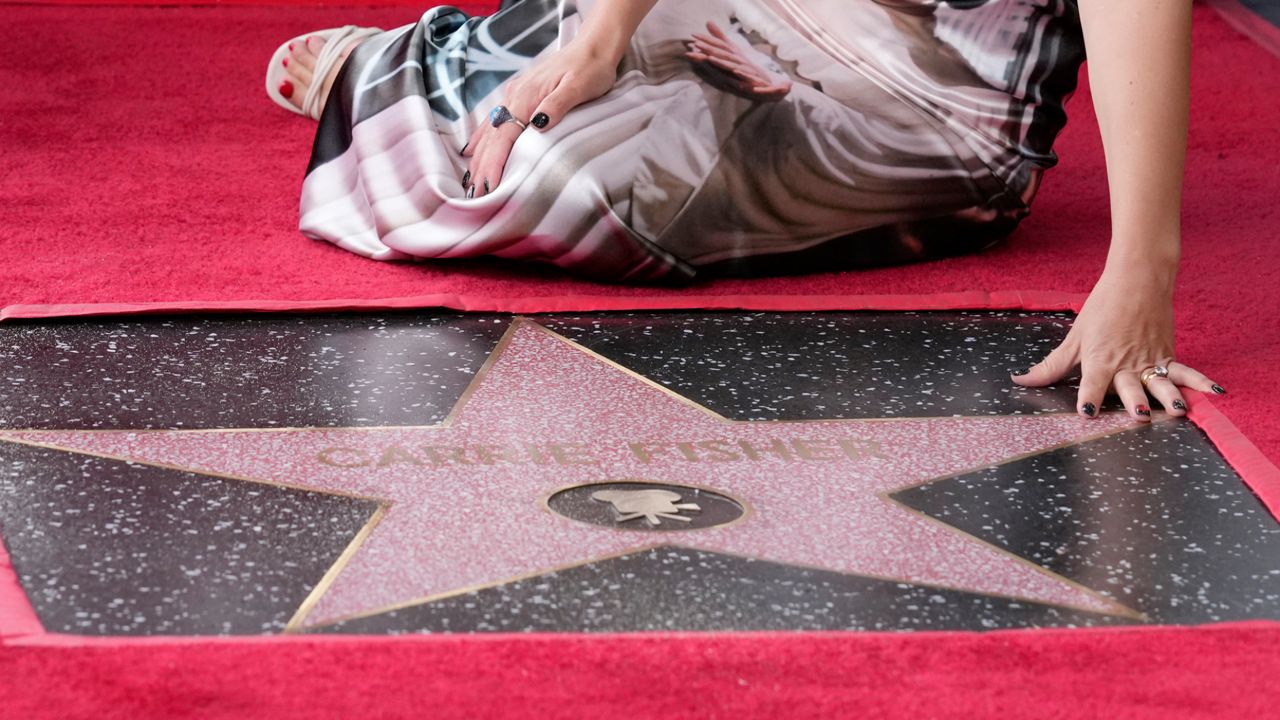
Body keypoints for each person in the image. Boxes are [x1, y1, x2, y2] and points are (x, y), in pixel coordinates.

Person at [264, 0, 1226, 422]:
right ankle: (445, 64)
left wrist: (1142, 266)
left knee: (575, 184)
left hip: (935, 104)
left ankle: (410, 83)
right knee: (591, 51)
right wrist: (603, 38)